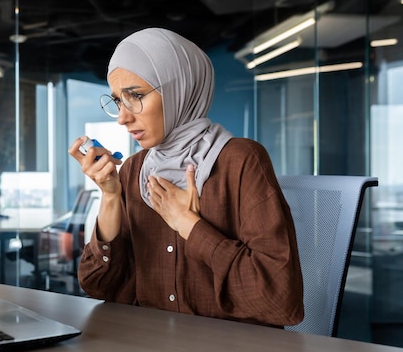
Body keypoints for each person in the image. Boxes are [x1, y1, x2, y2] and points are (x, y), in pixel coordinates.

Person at [68, 28, 304, 327]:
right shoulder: (133, 170)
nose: (123, 117)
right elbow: (98, 287)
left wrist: (190, 226)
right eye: (117, 101)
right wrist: (111, 196)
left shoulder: (241, 161)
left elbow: (280, 302)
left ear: (180, 89)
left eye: (136, 96)